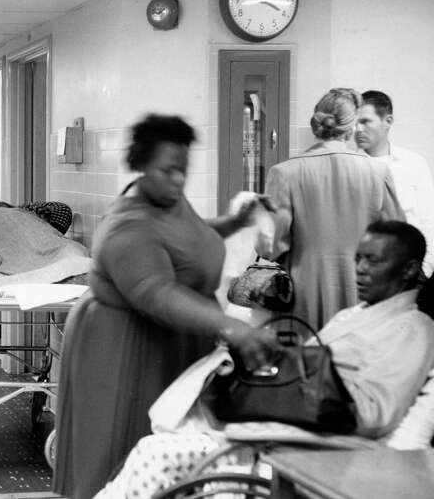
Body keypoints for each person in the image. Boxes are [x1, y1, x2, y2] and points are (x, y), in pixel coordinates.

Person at [98, 221, 434, 499]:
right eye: (358, 258)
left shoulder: (412, 329)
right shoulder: (354, 314)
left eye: (373, 261)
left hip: (321, 448)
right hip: (293, 427)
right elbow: (315, 366)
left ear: (408, 270)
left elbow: (376, 414)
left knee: (154, 456)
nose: (359, 270)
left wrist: (296, 394)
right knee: (154, 447)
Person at [53, 114, 278, 499]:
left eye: (183, 171)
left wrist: (235, 222)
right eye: (168, 171)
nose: (177, 180)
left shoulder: (168, 202)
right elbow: (156, 292)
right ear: (141, 165)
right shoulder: (128, 226)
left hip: (169, 340)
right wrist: (232, 327)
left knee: (166, 458)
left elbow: (190, 236)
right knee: (122, 452)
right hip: (123, 348)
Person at [262, 88, 404, 328]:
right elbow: (398, 240)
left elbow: (270, 245)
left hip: (302, 297)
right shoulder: (378, 173)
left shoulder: (284, 173)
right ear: (352, 126)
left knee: (307, 360)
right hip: (363, 293)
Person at [356, 90, 434, 275]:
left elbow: (428, 221)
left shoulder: (414, 163)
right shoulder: (349, 167)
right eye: (355, 122)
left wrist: (425, 269)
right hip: (363, 274)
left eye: (365, 121)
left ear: (388, 121)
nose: (358, 129)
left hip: (408, 271)